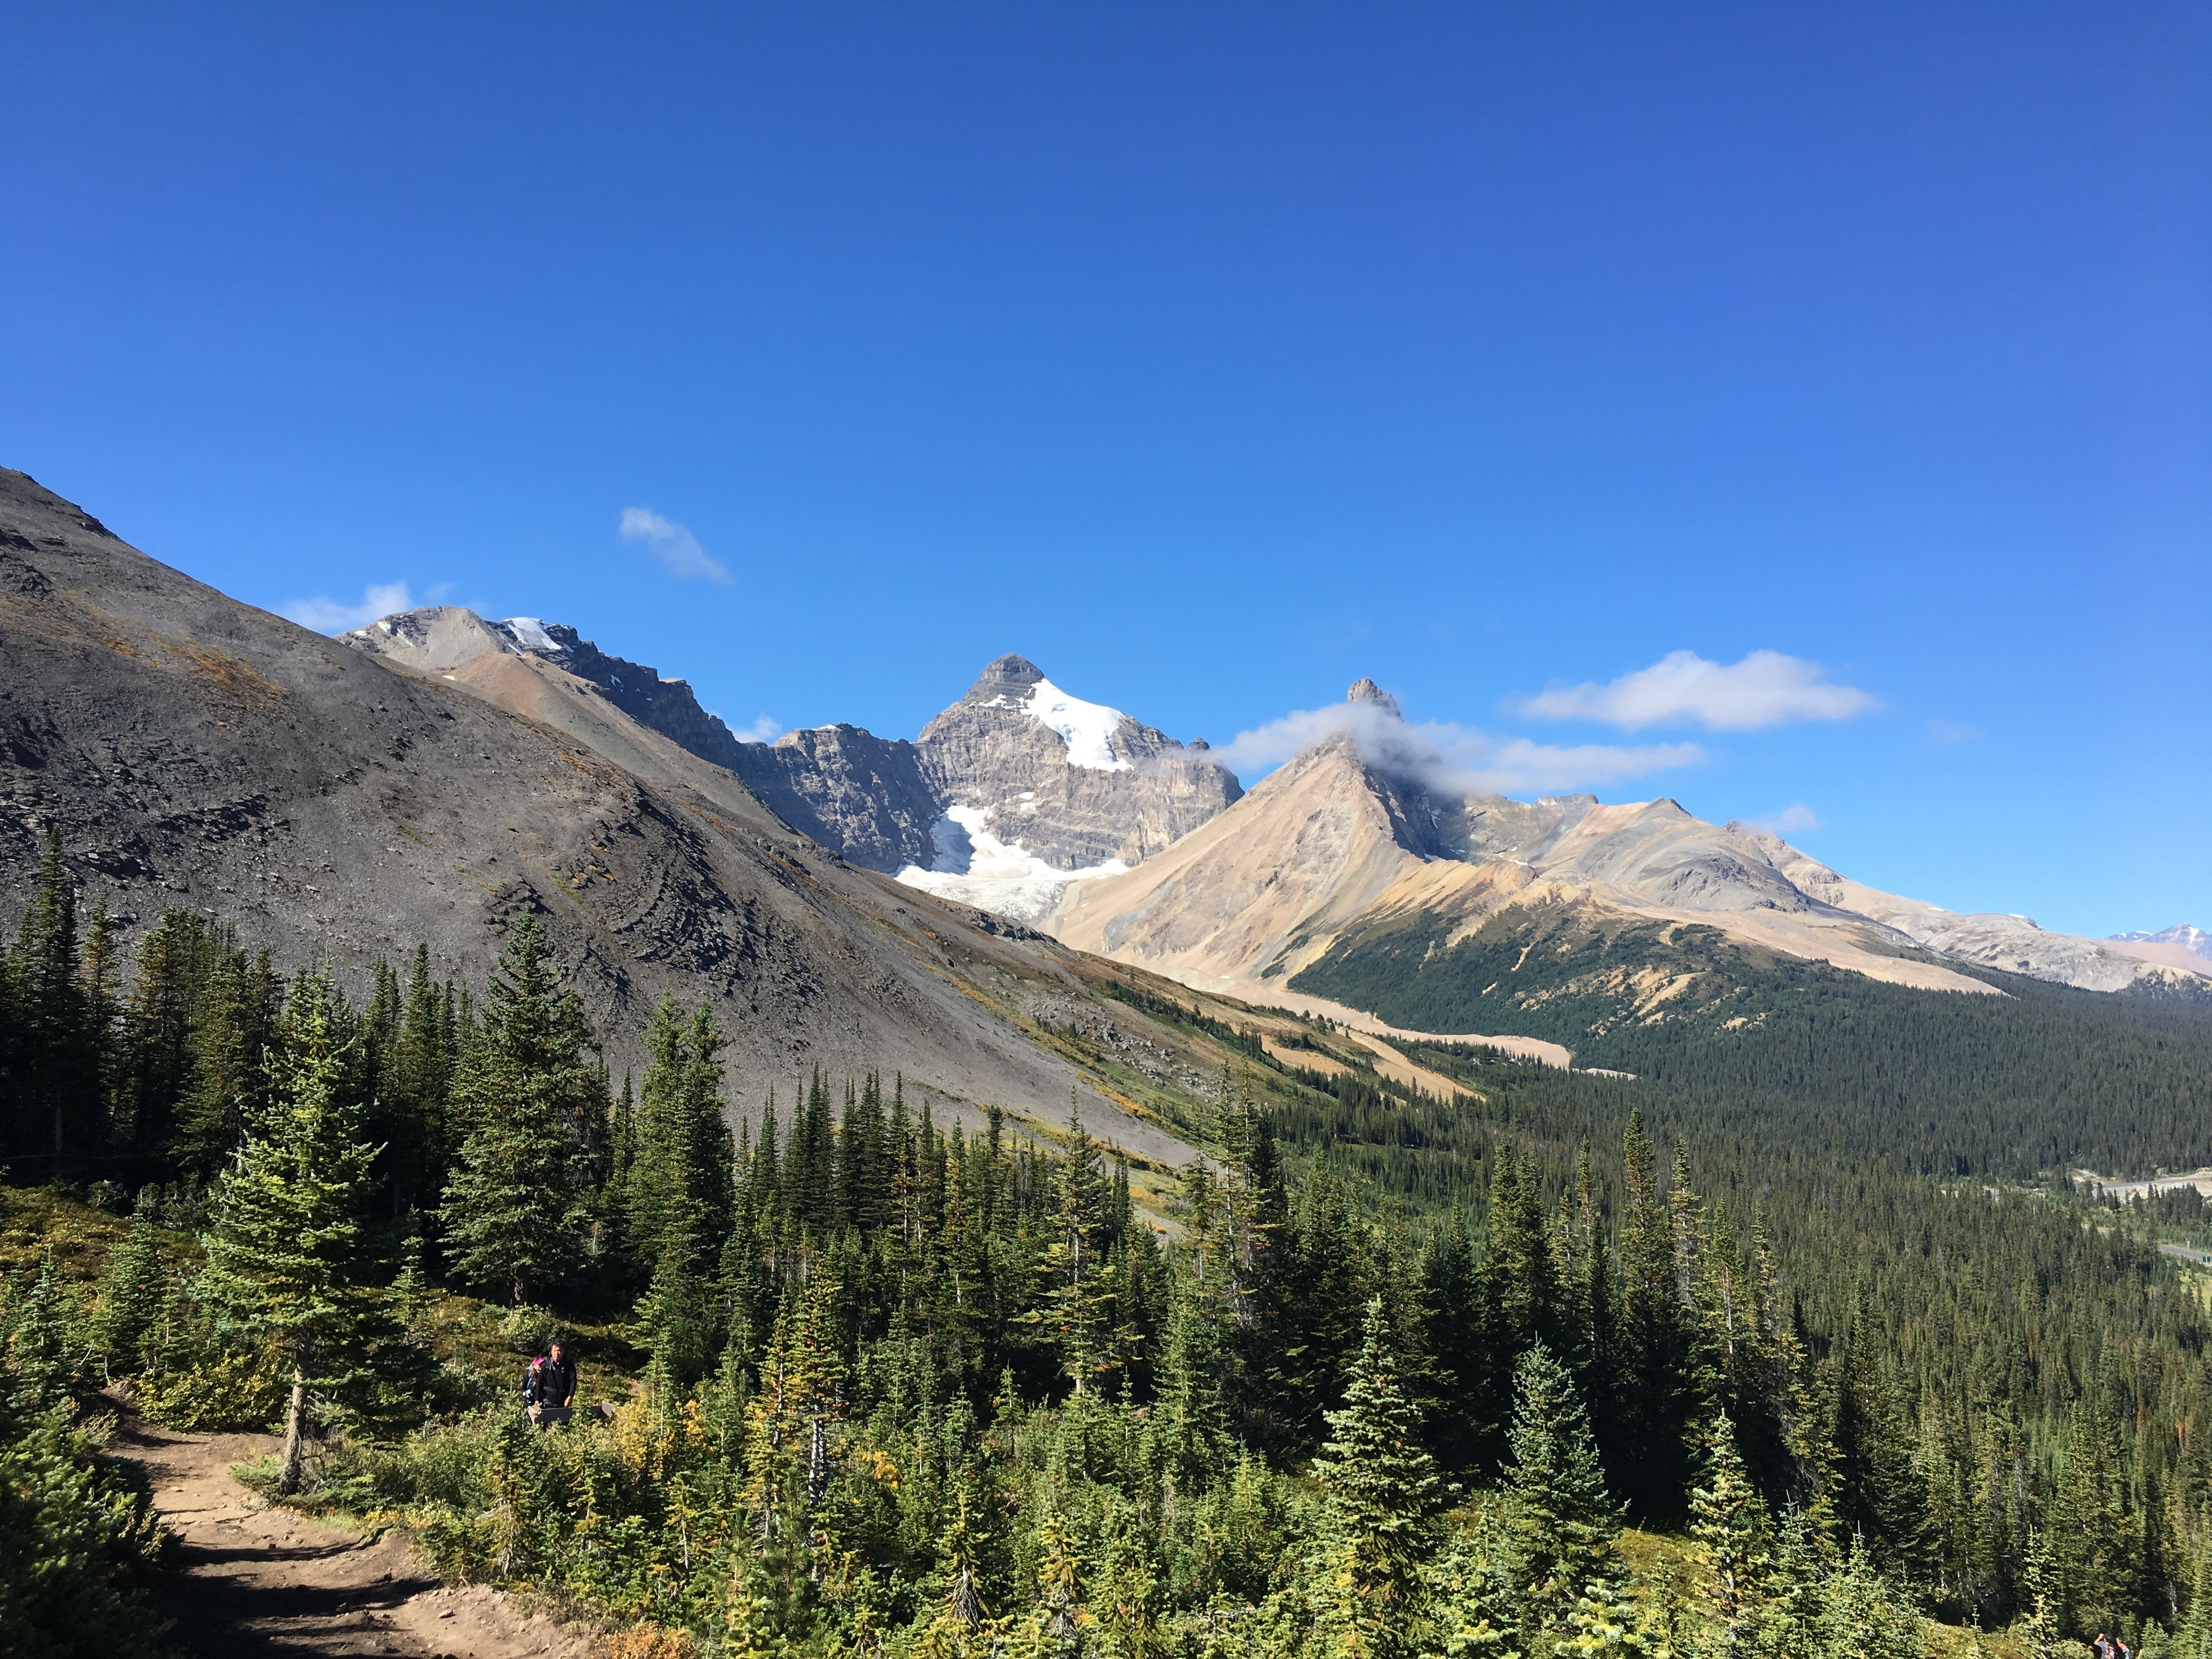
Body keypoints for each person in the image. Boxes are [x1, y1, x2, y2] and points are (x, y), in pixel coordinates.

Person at [523, 1336, 577, 1429]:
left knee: (562, 1427)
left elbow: (573, 1380)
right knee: (547, 1426)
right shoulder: (546, 1366)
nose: (557, 1353)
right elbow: (540, 1383)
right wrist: (537, 1400)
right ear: (551, 1351)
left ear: (563, 1351)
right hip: (548, 1401)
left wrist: (570, 1396)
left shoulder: (569, 1365)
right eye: (555, 1350)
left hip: (563, 1401)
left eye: (559, 1351)